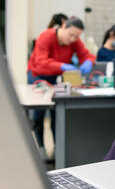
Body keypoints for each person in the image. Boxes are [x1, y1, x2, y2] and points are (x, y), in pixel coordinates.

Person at [27, 16, 96, 158]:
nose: (72, 40)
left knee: (56, 111)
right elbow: (40, 63)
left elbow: (86, 55)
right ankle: (40, 149)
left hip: (56, 76)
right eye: (71, 35)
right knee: (39, 112)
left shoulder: (75, 40)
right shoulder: (46, 36)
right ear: (63, 27)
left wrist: (88, 61)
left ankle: (58, 149)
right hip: (38, 75)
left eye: (76, 37)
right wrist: (62, 66)